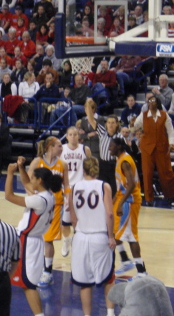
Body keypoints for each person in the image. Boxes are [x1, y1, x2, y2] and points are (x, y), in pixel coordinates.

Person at [5, 158, 62, 316]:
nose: (31, 179)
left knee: (28, 284)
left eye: (33, 177)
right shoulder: (48, 196)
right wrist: (21, 168)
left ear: (40, 180)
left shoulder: (39, 200)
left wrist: (10, 173)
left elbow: (9, 196)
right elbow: (27, 184)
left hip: (26, 242)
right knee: (6, 276)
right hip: (32, 240)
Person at [70, 156, 116, 316]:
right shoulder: (104, 186)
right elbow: (109, 214)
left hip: (81, 237)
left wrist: (79, 231)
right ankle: (110, 314)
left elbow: (73, 217)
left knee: (84, 283)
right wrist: (111, 236)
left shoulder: (74, 187)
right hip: (100, 237)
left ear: (83, 169)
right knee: (109, 279)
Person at [27, 136, 69, 287]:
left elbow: (67, 185)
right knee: (36, 237)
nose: (62, 147)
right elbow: (27, 180)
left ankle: (47, 272)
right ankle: (37, 267)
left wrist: (68, 201)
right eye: (59, 145)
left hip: (56, 205)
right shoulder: (38, 162)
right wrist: (32, 194)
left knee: (48, 239)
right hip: (39, 204)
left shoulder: (63, 164)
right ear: (51, 147)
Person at [109, 138, 147, 279]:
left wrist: (120, 203)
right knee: (112, 230)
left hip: (130, 201)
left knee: (131, 236)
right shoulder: (120, 159)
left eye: (111, 146)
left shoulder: (125, 161)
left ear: (119, 146)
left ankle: (141, 271)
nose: (109, 148)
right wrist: (113, 202)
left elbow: (131, 185)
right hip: (123, 199)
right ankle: (125, 259)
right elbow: (122, 186)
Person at [131, 95, 174, 206]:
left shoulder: (164, 115)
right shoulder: (143, 115)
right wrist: (132, 126)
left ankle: (170, 195)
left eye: (153, 101)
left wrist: (171, 143)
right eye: (149, 102)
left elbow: (170, 131)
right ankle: (148, 198)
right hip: (147, 148)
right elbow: (134, 127)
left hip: (162, 147)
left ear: (157, 103)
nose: (150, 103)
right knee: (147, 173)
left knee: (165, 172)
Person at [60, 127, 92, 258]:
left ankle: (79, 242)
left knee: (81, 219)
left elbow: (91, 167)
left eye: (75, 134)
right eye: (70, 135)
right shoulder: (61, 149)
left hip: (82, 189)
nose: (73, 137)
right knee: (65, 220)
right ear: (66, 136)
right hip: (67, 189)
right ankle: (66, 241)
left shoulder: (85, 149)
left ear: (79, 136)